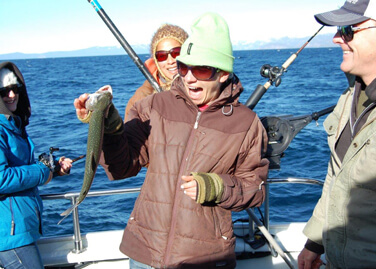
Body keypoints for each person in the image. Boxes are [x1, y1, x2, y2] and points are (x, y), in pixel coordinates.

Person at [74, 12, 269, 269]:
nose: (189, 78)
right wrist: (110, 127)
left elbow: (255, 189)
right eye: (184, 67)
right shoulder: (154, 105)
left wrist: (217, 187)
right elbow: (122, 166)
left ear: (223, 73)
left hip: (204, 258)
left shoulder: (247, 124)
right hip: (144, 252)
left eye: (201, 68)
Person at [297, 0, 376, 268]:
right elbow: (337, 176)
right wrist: (315, 243)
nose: (336, 39)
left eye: (347, 30)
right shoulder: (349, 98)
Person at [0, 62, 73, 269]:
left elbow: (20, 169)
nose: (12, 95)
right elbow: (1, 178)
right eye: (4, 91)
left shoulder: (13, 125)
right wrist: (43, 170)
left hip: (19, 230)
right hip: (10, 235)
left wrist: (54, 170)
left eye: (16, 89)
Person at [124, 24, 188, 121]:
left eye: (176, 53)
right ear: (155, 60)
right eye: (162, 56)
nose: (170, 61)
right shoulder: (141, 98)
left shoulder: (204, 88)